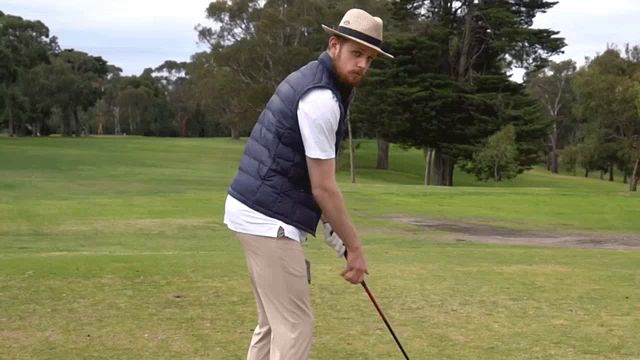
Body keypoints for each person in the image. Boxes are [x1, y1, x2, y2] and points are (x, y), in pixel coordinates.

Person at [223, 8, 393, 360]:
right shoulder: (321, 99)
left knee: (273, 323)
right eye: (356, 53)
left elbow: (312, 187)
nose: (362, 64)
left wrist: (339, 240)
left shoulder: (318, 81)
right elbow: (324, 188)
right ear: (335, 45)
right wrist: (355, 247)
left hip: (253, 210)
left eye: (370, 58)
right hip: (267, 219)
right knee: (296, 327)